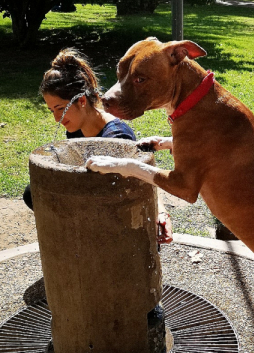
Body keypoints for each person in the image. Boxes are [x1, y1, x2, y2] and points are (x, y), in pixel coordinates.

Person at [24, 48, 172, 243]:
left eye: (60, 109)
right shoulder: (76, 128)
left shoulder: (116, 136)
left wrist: (160, 212)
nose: (57, 119)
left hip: (119, 217)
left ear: (82, 101)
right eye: (52, 110)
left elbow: (141, 177)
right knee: (32, 193)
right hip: (94, 199)